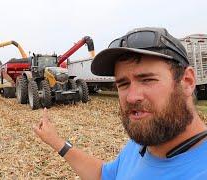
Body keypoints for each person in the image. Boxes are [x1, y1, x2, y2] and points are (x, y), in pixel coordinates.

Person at [33, 27, 207, 180]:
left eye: (147, 79)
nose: (131, 97)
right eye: (123, 84)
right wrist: (56, 141)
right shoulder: (143, 142)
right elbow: (105, 175)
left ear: (188, 81)